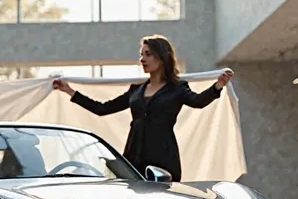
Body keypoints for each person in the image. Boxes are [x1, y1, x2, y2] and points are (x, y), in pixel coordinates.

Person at [53, 34, 233, 182]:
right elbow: (102, 109)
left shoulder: (178, 88)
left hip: (163, 156)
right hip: (133, 156)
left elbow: (198, 101)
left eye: (148, 54)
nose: (142, 59)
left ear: (162, 58)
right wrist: (69, 91)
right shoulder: (136, 90)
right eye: (141, 54)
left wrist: (217, 86)